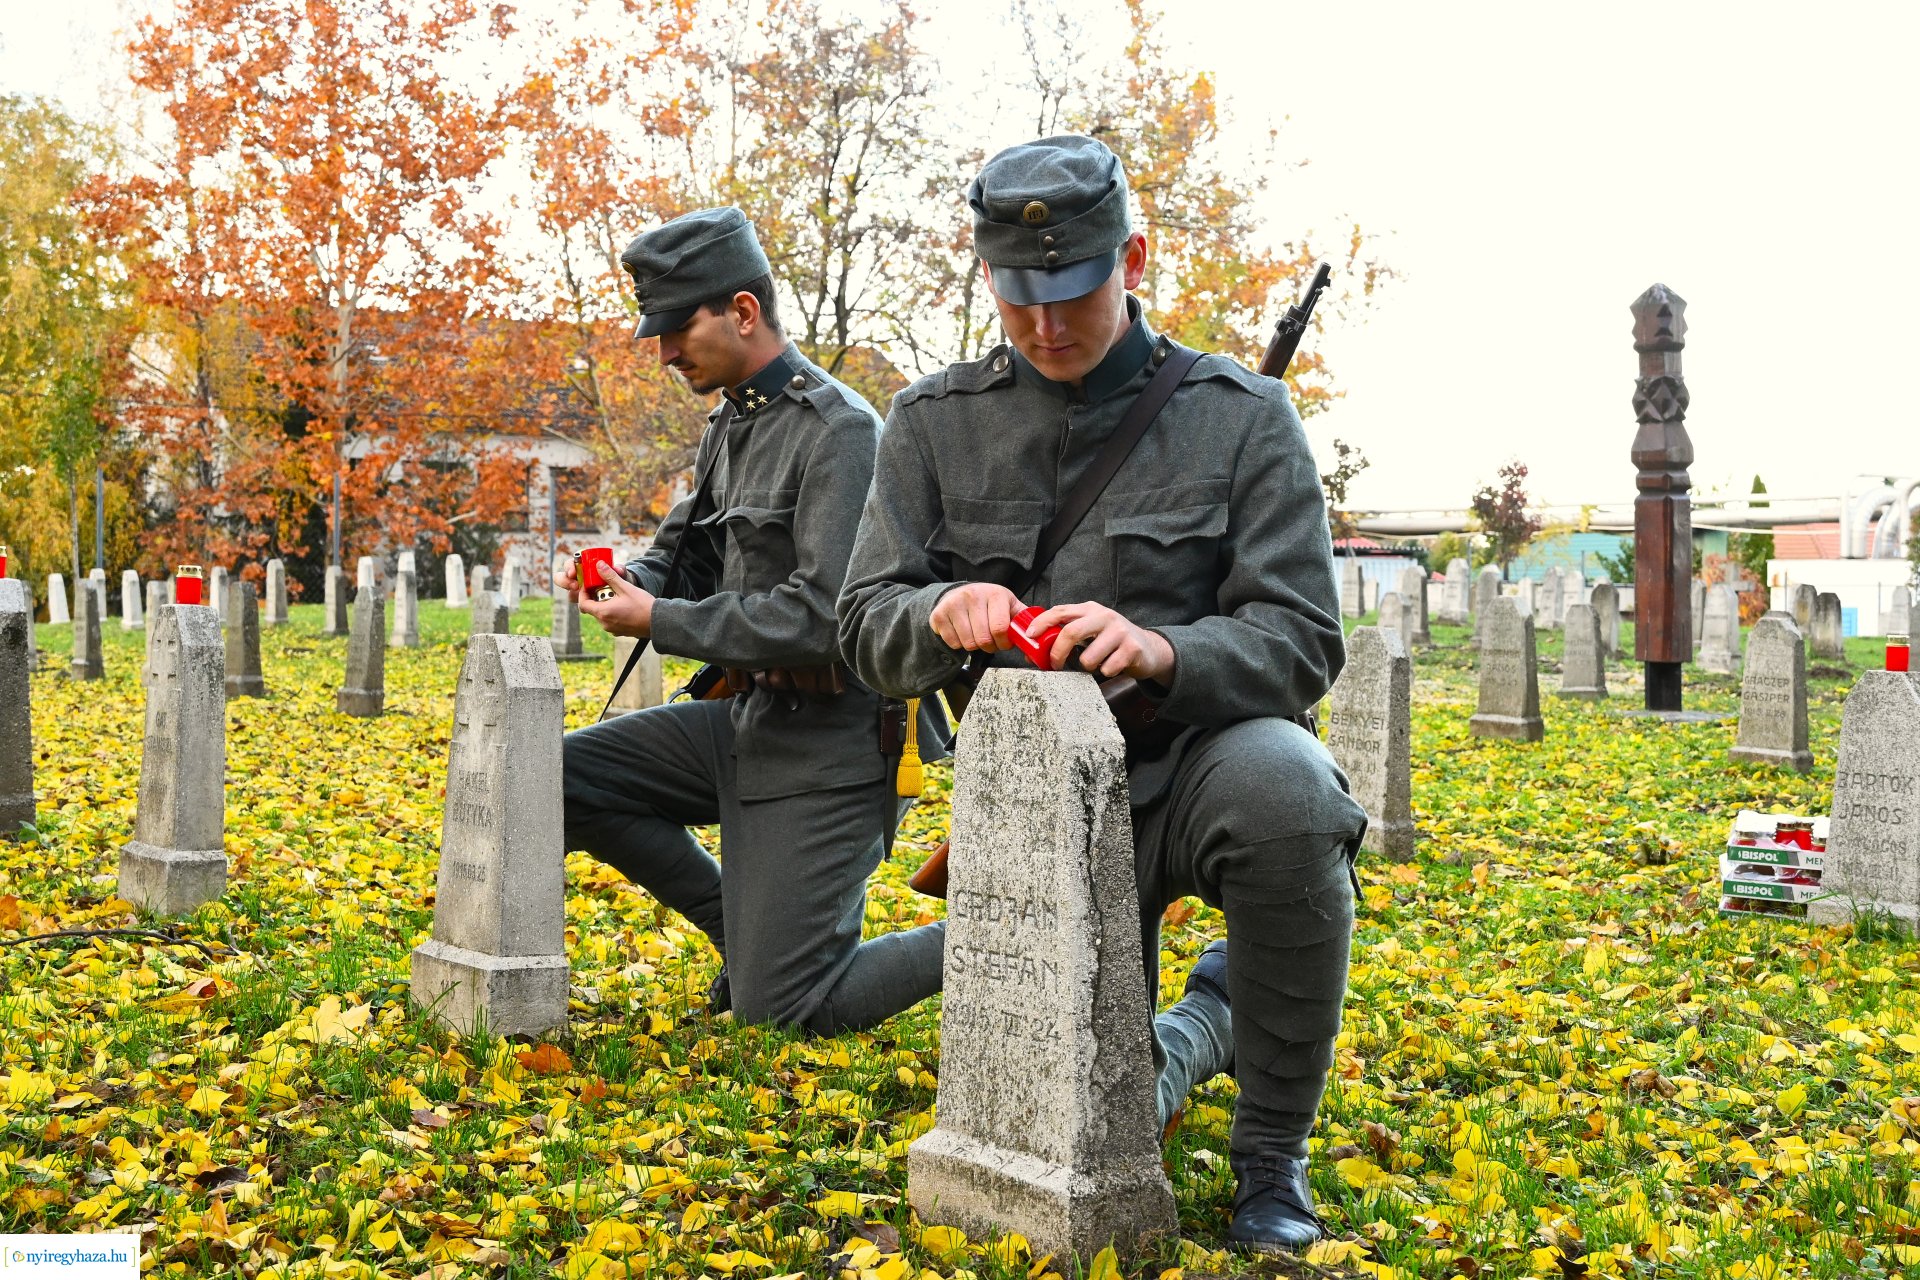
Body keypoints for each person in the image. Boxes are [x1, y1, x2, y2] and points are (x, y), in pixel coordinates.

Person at [837, 137, 1366, 1252]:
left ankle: (1272, 1157)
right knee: (1100, 1089)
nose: (1044, 324)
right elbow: (861, 623)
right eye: (1018, 295)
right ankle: (1197, 1027)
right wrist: (937, 615)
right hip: (1033, 796)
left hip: (1194, 767)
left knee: (1294, 793)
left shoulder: (1242, 415)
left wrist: (1165, 650)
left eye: (1073, 290)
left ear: (1132, 257)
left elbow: (1303, 636)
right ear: (986, 275)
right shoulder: (930, 423)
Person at [560, 205, 948, 1034]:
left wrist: (658, 618)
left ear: (741, 311)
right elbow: (686, 557)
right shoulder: (731, 422)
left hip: (840, 740)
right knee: (553, 779)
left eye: (675, 329)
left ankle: (999, 932)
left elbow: (822, 618)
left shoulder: (840, 430)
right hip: (751, 718)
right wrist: (622, 581)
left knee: (789, 1010)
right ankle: (744, 931)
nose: (663, 352)